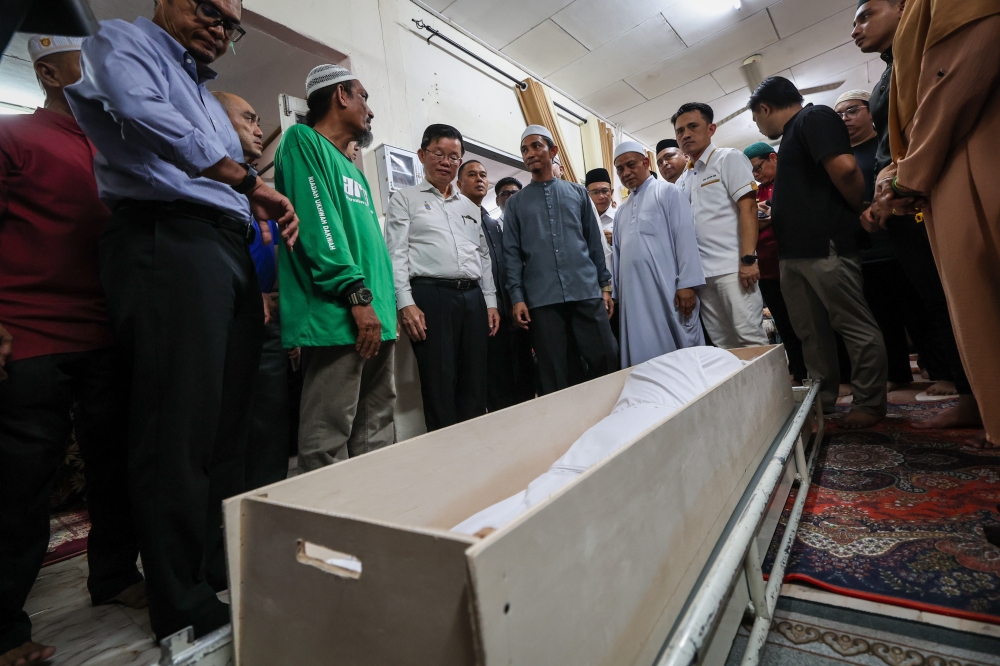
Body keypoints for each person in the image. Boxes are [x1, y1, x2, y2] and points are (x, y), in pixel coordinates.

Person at [65, 0, 299, 641]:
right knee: (178, 425)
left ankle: (210, 572)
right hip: (165, 238)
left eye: (230, 23)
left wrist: (247, 206)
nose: (219, 28)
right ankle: (181, 603)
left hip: (220, 245)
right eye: (209, 10)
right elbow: (143, 116)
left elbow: (226, 180)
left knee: (226, 425)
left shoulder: (204, 90)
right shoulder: (121, 43)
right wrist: (248, 183)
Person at [0, 36, 144, 666]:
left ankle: (111, 575)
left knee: (115, 469)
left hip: (105, 334)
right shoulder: (13, 137)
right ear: (49, 72)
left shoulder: (115, 153)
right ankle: (3, 627)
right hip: (30, 334)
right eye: (92, 63)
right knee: (20, 486)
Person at [853, 0, 984, 435]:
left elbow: (936, 114)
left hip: (932, 185)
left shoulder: (931, 47)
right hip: (907, 195)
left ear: (902, 8)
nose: (857, 29)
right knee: (938, 296)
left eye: (867, 14)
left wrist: (905, 180)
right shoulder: (884, 82)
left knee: (959, 294)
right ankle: (972, 394)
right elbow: (893, 145)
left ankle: (975, 394)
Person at [275, 64, 397, 467]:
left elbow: (369, 246)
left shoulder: (353, 170)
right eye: (364, 96)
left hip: (375, 316)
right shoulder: (302, 141)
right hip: (340, 317)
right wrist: (357, 296)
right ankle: (320, 528)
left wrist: (381, 307)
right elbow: (318, 227)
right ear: (341, 95)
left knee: (375, 434)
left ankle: (375, 523)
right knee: (326, 440)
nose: (370, 110)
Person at [750, 76, 888, 428]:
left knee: (852, 323)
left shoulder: (814, 118)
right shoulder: (792, 138)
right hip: (793, 252)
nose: (759, 125)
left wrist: (861, 207)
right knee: (810, 330)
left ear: (765, 108)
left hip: (823, 243)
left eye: (756, 119)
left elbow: (845, 169)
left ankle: (870, 403)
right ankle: (823, 399)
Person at [385, 124, 499, 430]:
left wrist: (490, 302)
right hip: (431, 297)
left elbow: (483, 256)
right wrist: (404, 302)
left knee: (475, 379)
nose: (447, 162)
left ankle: (473, 444)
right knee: (439, 382)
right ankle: (447, 458)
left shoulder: (470, 206)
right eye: (439, 153)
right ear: (422, 155)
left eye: (454, 157)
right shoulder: (404, 198)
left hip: (473, 298)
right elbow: (394, 253)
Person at [833, 89, 937, 393]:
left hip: (903, 239)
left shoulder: (888, 148)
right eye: (839, 115)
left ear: (869, 111)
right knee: (882, 315)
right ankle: (897, 373)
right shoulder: (842, 159)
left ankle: (941, 370)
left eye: (852, 111)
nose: (845, 119)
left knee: (920, 308)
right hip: (867, 250)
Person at [503, 124, 618, 395]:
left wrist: (605, 286)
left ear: (553, 151)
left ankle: (614, 419)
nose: (529, 153)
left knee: (606, 357)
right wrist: (517, 297)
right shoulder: (516, 204)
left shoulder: (578, 194)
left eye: (535, 146)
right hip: (543, 300)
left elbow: (594, 244)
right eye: (524, 149)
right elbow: (512, 255)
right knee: (555, 371)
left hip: (585, 291)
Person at [214, 91, 289, 489]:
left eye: (260, 121)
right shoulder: (207, 188)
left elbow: (274, 257)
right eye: (249, 120)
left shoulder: (264, 193)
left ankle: (269, 510)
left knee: (271, 424)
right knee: (230, 426)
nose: (259, 131)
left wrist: (277, 301)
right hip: (225, 319)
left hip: (270, 322)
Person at [672, 102, 769, 349]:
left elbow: (747, 208)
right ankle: (742, 390)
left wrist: (748, 260)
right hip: (702, 276)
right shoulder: (683, 179)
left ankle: (768, 389)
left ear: (711, 128)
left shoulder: (728, 158)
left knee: (750, 339)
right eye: (680, 131)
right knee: (723, 345)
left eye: (693, 127)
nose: (686, 134)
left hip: (733, 270)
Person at [611, 141, 705, 367]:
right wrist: (617, 296)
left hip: (668, 292)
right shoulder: (622, 211)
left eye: (631, 165)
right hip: (633, 299)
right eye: (620, 169)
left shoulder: (667, 192)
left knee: (680, 352)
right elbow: (617, 256)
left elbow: (684, 239)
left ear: (645, 163)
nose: (626, 173)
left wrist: (687, 284)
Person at [457, 160, 535, 410]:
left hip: (510, 309)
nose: (479, 179)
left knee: (522, 374)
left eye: (483, 175)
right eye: (472, 174)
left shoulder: (494, 223)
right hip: (479, 310)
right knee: (494, 380)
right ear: (459, 184)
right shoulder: (456, 218)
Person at [742, 142, 808, 383]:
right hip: (768, 271)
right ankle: (799, 373)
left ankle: (832, 373)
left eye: (757, 168)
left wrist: (768, 214)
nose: (755, 175)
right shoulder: (754, 192)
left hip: (796, 264)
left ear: (773, 158)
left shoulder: (792, 182)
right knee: (785, 325)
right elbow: (750, 223)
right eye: (751, 173)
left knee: (809, 322)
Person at [585, 168, 619, 343]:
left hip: (620, 293)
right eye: (595, 192)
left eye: (605, 191)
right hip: (594, 294)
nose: (601, 196)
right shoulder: (582, 223)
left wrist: (618, 241)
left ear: (611, 192)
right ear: (587, 194)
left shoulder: (620, 217)